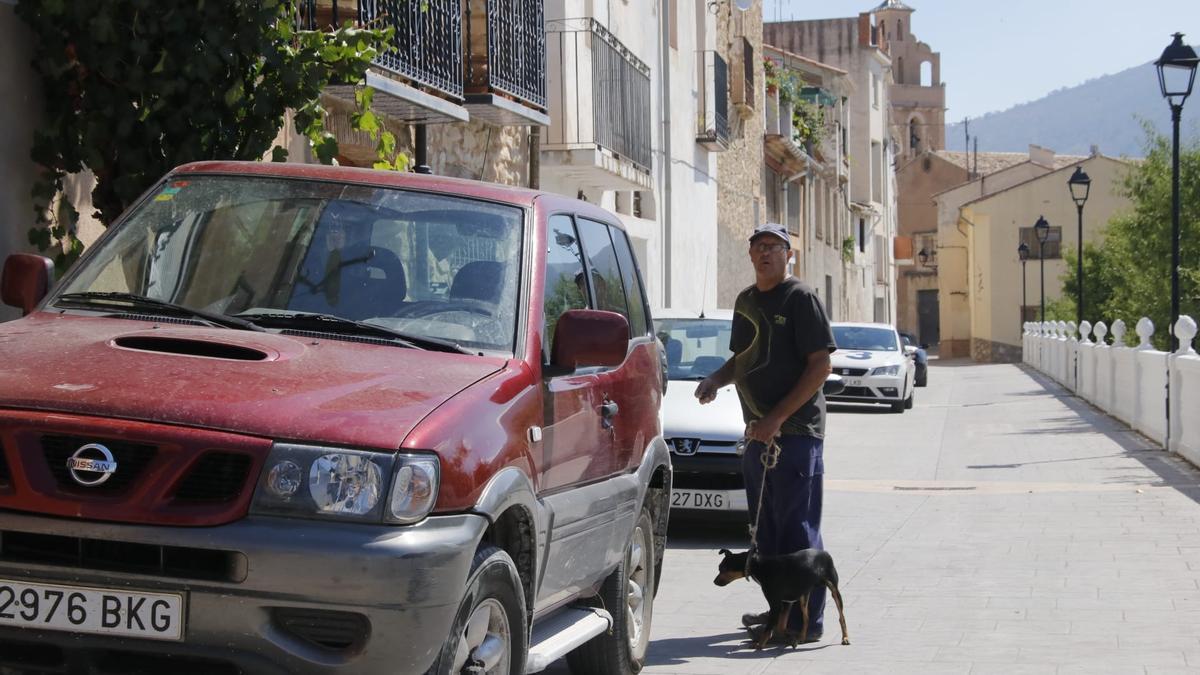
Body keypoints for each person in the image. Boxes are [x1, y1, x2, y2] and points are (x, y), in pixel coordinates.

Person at [694, 222, 836, 643]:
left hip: (794, 434)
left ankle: (806, 623)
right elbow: (742, 358)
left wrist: (776, 418)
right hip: (757, 436)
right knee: (766, 530)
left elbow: (821, 366)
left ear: (789, 254)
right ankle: (779, 616)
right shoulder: (746, 301)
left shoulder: (801, 298)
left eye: (774, 247)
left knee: (797, 530)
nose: (765, 253)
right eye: (758, 247)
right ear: (751, 255)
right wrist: (716, 380)